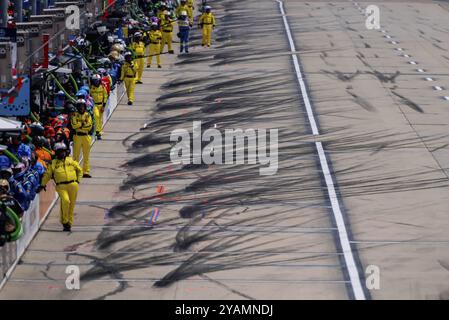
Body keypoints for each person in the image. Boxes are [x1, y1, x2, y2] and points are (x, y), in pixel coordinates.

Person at [37, 143, 82, 232]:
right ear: (57, 153)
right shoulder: (53, 163)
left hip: (73, 185)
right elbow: (48, 175)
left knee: (71, 205)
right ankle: (64, 221)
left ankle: (69, 223)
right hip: (61, 186)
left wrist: (77, 181)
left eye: (64, 151)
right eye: (60, 151)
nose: (63, 153)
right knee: (65, 201)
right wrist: (42, 184)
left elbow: (79, 170)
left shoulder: (71, 160)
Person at [71, 99, 93, 178]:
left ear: (85, 106)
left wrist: (79, 125)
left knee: (86, 155)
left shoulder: (88, 115)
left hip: (86, 136)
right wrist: (82, 124)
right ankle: (76, 171)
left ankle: (85, 172)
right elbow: (74, 125)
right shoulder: (74, 115)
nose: (81, 107)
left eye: (82, 106)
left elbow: (89, 126)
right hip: (77, 136)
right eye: (79, 106)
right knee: (76, 155)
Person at [90, 74, 108, 140]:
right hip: (94, 105)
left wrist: (104, 105)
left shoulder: (102, 87)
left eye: (97, 81)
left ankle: (99, 132)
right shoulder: (91, 88)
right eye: (95, 81)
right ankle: (97, 131)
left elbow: (105, 96)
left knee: (100, 119)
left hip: (101, 105)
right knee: (96, 116)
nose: (96, 82)